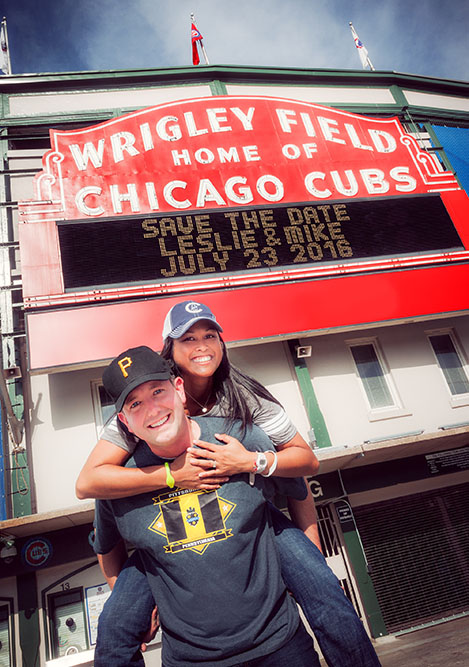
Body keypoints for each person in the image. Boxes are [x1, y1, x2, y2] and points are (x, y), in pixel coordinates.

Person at [77, 301, 381, 667]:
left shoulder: (246, 403)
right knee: (113, 628)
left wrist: (252, 462)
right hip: (165, 549)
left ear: (175, 389)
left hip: (256, 509)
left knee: (324, 590)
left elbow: (302, 468)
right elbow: (89, 483)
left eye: (210, 335)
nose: (201, 345)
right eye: (188, 338)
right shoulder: (136, 413)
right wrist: (173, 475)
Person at [93, 345, 320, 666]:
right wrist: (137, 608)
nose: (153, 409)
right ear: (124, 422)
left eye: (158, 391)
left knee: (328, 597)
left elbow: (300, 478)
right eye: (135, 403)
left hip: (281, 646)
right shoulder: (116, 481)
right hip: (190, 659)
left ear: (179, 390)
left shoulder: (243, 435)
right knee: (112, 628)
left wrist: (312, 563)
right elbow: (106, 544)